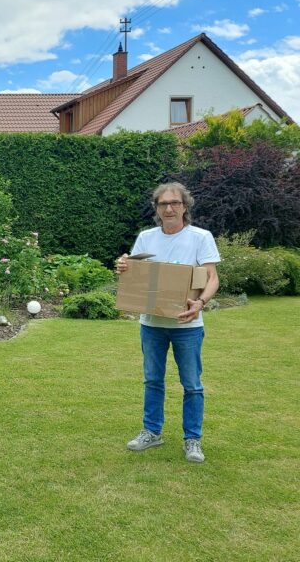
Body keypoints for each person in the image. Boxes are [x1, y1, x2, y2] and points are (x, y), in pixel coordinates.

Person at [116, 182, 220, 463]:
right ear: (157, 209)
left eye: (175, 203)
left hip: (187, 326)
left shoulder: (200, 237)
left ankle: (192, 439)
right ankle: (152, 432)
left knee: (192, 384)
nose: (170, 208)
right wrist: (124, 267)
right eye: (163, 204)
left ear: (185, 207)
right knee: (152, 380)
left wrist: (200, 303)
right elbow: (134, 272)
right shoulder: (146, 237)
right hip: (151, 324)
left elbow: (211, 278)